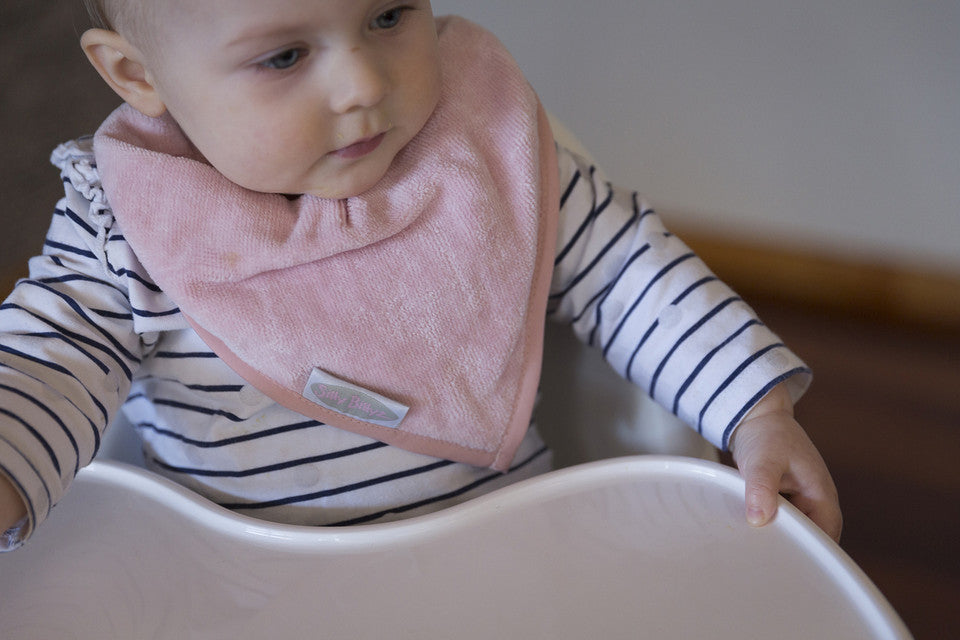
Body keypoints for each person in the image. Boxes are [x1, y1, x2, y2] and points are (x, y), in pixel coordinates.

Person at [0, 0, 841, 551]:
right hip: (241, 586)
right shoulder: (131, 226)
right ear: (136, 75)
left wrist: (753, 411)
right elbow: (49, 357)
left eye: (389, 14)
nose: (363, 82)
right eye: (286, 56)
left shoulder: (483, 158)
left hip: (498, 556)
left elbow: (623, 268)